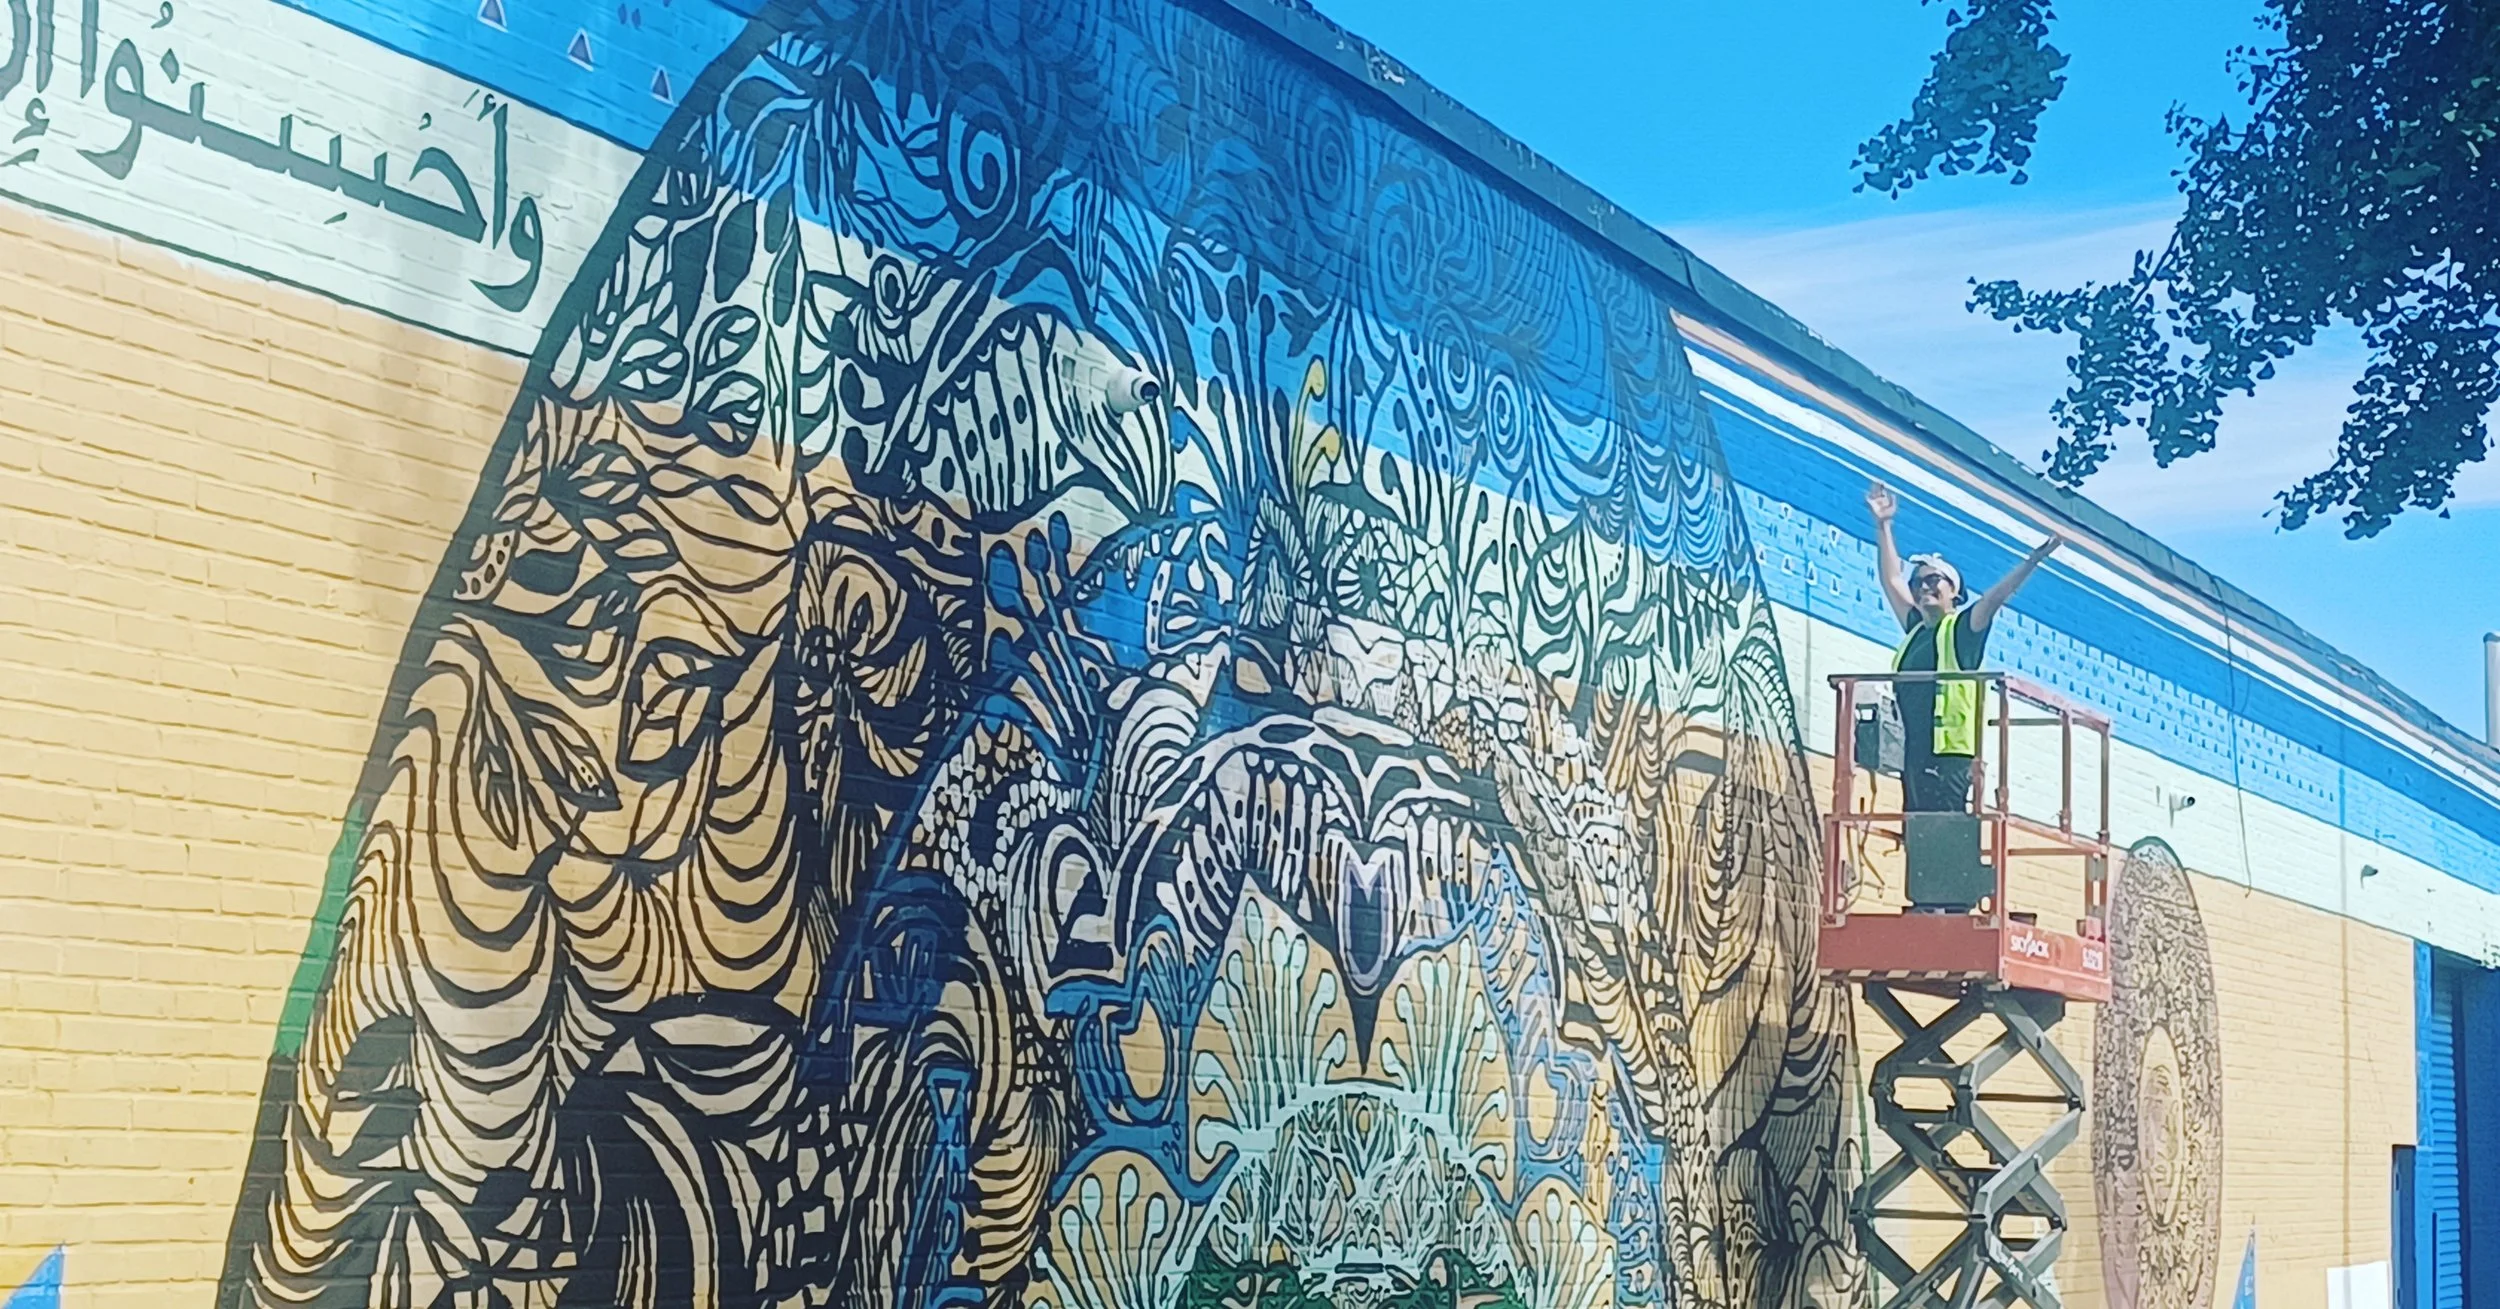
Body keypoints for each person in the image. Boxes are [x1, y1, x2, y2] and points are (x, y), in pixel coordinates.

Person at [1865, 480, 2062, 814]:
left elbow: (1995, 598)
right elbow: (1891, 580)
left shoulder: (1961, 630)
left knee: (1945, 836)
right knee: (1916, 833)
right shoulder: (1916, 631)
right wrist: (1884, 525)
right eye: (1919, 582)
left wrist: (2032, 562)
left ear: (1954, 592)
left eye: (1933, 580)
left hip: (1948, 756)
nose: (1923, 586)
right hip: (1912, 750)